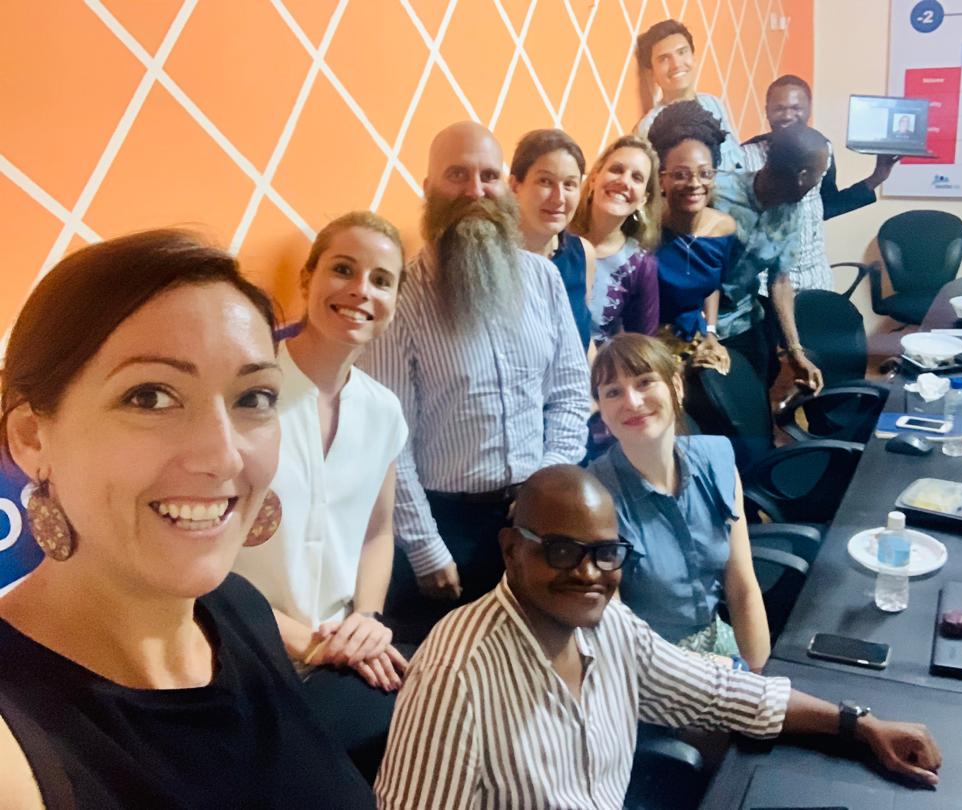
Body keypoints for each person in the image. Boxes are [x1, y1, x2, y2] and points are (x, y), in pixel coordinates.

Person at [0, 231, 376, 807]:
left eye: (253, 398)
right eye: (150, 397)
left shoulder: (238, 608)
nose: (224, 456)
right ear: (31, 437)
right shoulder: (16, 741)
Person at [375, 465, 942, 809]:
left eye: (605, 553)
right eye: (562, 550)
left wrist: (859, 724)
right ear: (511, 550)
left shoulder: (609, 626)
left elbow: (719, 693)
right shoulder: (455, 677)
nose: (589, 573)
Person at [362, 121, 590, 643]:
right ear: (429, 189)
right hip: (446, 528)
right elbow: (390, 440)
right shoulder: (404, 296)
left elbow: (570, 394)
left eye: (488, 176)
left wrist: (547, 485)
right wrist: (426, 547)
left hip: (536, 516)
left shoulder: (543, 279)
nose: (475, 190)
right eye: (457, 175)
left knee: (537, 658)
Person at [232, 212, 409, 781]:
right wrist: (308, 644)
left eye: (381, 280)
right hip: (239, 654)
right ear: (307, 279)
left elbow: (377, 532)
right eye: (343, 270)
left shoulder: (384, 411)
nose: (361, 290)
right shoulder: (243, 399)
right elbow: (202, 564)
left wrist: (366, 619)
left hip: (337, 654)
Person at [588, 334, 770, 668]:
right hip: (648, 667)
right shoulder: (593, 499)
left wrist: (756, 677)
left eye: (645, 382)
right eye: (613, 392)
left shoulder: (716, 459)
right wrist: (723, 674)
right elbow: (615, 636)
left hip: (719, 647)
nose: (632, 401)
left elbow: (742, 587)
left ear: (676, 387)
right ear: (602, 411)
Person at [741, 75, 898, 293]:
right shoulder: (744, 156)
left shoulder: (823, 149)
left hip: (815, 278)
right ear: (767, 110)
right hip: (765, 285)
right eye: (779, 108)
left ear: (809, 110)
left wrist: (877, 177)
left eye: (796, 108)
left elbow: (827, 205)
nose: (788, 116)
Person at [711, 119, 828, 391]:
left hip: (744, 323)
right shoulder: (716, 193)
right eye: (818, 175)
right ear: (802, 176)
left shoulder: (791, 212)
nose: (817, 182)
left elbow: (781, 280)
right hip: (696, 327)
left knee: (756, 399)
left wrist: (795, 350)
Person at [647, 98, 737, 373]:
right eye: (681, 174)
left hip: (694, 341)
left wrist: (711, 333)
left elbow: (711, 285)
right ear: (661, 178)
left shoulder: (723, 228)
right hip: (648, 348)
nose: (695, 183)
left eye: (704, 173)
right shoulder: (644, 230)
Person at [569, 134, 661, 346]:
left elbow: (643, 345)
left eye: (636, 177)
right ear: (594, 178)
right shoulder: (556, 235)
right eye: (616, 170)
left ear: (643, 199)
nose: (624, 181)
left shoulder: (640, 266)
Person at [509, 129, 596, 354]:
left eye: (569, 184)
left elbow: (584, 342)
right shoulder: (494, 260)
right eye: (545, 181)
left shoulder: (583, 253)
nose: (558, 198)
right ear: (515, 186)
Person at [633, 19, 744, 171]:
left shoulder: (713, 103)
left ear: (694, 57)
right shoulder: (649, 126)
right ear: (652, 72)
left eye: (682, 52)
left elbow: (738, 162)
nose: (676, 64)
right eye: (664, 59)